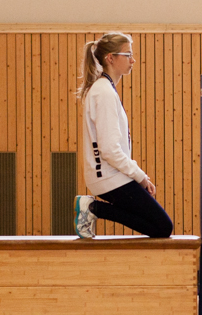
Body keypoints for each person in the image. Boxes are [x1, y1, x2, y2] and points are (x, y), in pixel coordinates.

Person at [73, 32, 173, 239]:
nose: (133, 60)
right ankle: (93, 208)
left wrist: (136, 176)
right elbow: (109, 150)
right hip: (108, 177)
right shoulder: (104, 92)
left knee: (158, 225)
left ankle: (93, 208)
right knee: (162, 227)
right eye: (128, 55)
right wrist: (140, 176)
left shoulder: (104, 89)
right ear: (110, 58)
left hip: (111, 175)